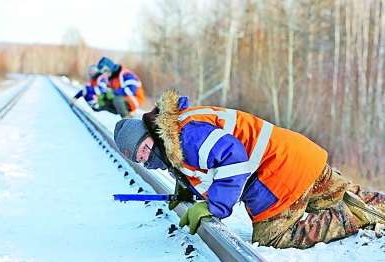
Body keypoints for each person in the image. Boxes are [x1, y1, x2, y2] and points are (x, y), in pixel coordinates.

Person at [113, 90, 385, 249]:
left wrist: (214, 207)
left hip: (278, 174)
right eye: (141, 158)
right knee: (347, 192)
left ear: (150, 132)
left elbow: (232, 157)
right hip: (298, 154)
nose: (147, 157)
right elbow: (203, 164)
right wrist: (184, 187)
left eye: (145, 148)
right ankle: (374, 206)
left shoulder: (185, 136)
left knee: (272, 238)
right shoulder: (174, 129)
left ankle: (352, 218)